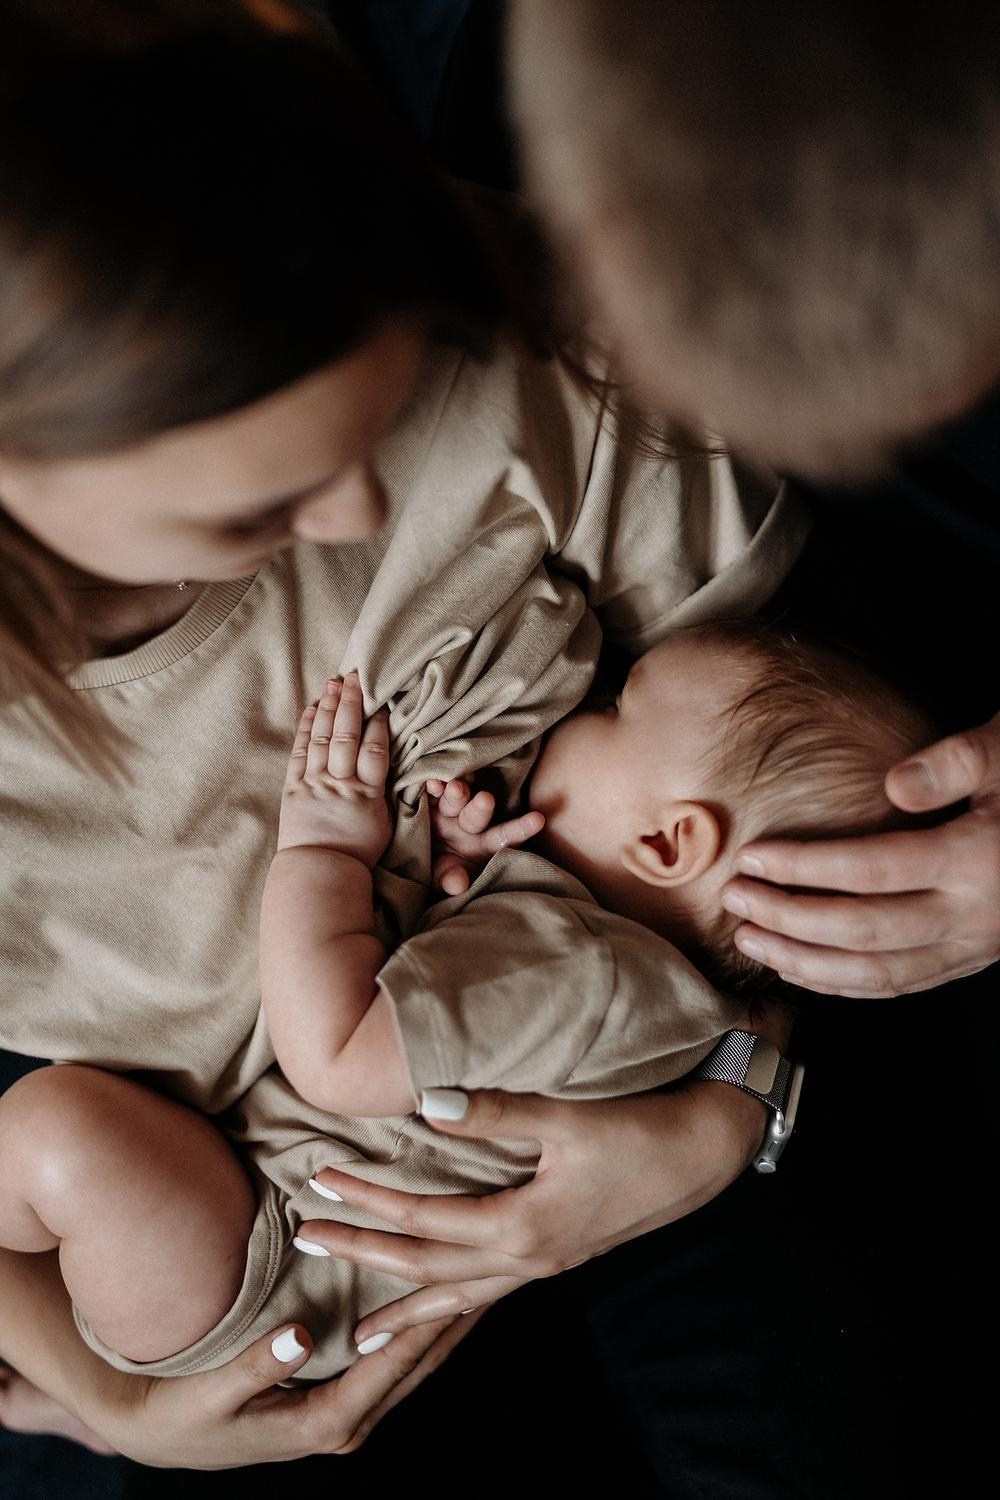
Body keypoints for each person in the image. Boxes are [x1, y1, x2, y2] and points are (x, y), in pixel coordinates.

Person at [0, 0, 805, 1476]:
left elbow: (774, 791)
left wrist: (726, 1109)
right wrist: (101, 1396)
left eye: (374, 421)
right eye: (259, 505)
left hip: (613, 1074)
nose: (362, 517)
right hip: (225, 1251)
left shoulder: (511, 346)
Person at [0, 621, 933, 1388]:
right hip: (262, 1247)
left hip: (256, 1264)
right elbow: (442, 982)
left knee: (57, 1136)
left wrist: (324, 851)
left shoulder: (578, 971)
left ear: (666, 844)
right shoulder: (630, 976)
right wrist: (461, 867)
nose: (584, 710)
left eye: (615, 708)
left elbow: (339, 1059)